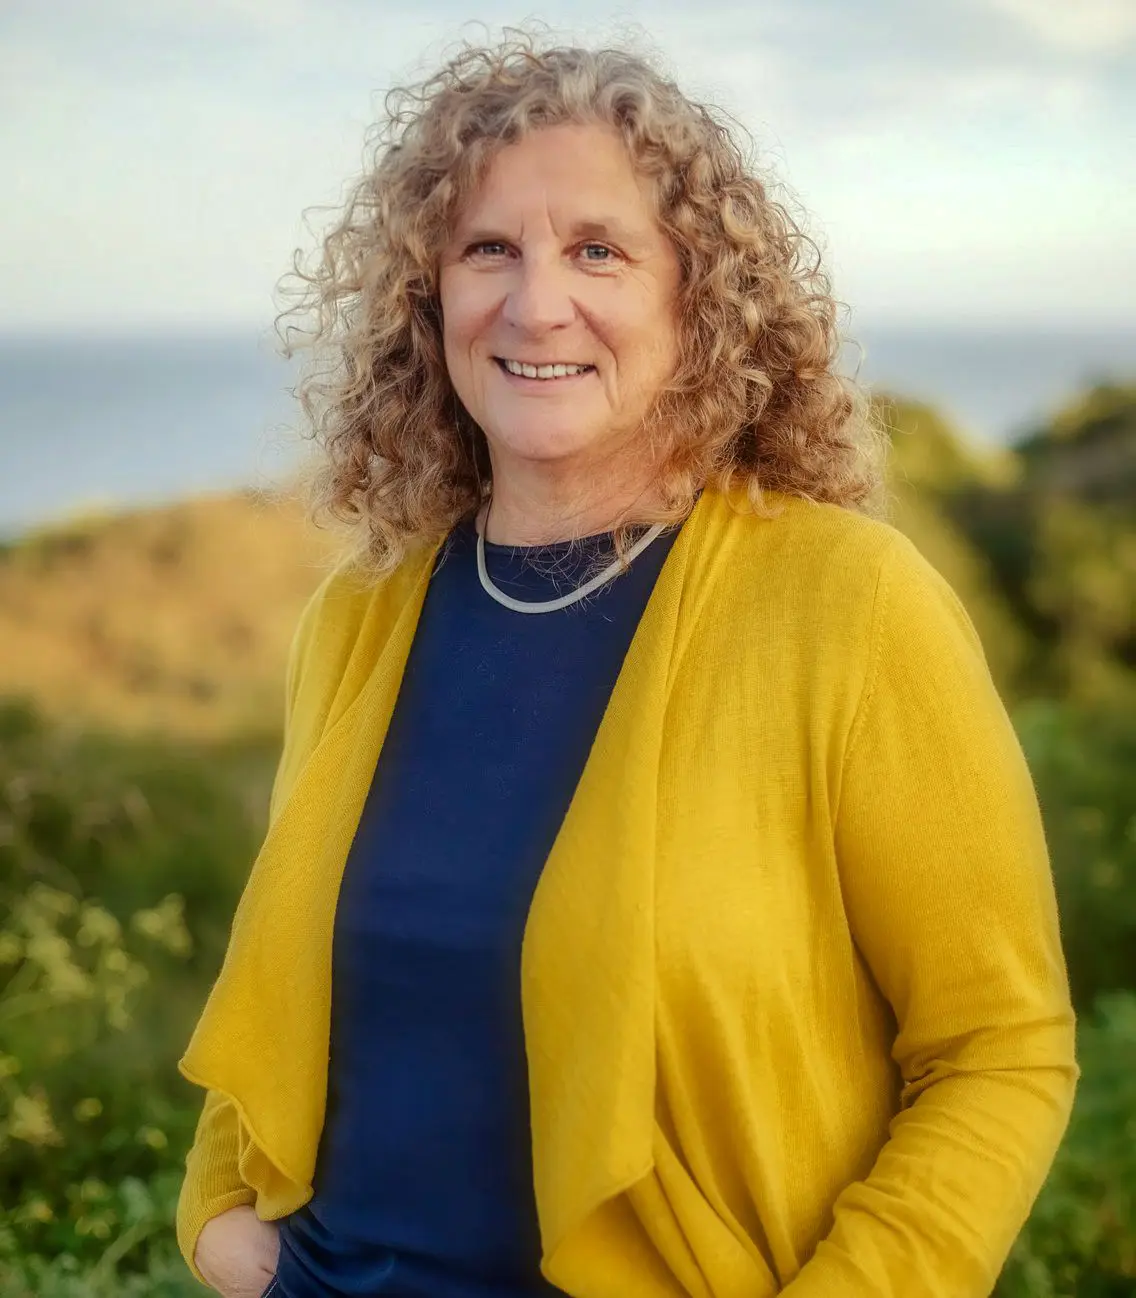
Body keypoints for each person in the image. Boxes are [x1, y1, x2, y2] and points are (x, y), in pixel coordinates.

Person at [176, 34, 1078, 1298]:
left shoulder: (848, 603)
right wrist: (223, 1225)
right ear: (423, 294)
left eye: (598, 249)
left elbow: (999, 1048)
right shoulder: (361, 612)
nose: (537, 303)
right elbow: (284, 971)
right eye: (490, 248)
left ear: (696, 298)